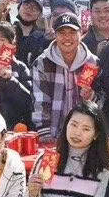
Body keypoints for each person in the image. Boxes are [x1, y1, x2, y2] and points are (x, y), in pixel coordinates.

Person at [32, 11, 101, 141]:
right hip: (52, 133)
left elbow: (101, 101)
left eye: (72, 32)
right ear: (55, 35)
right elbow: (40, 100)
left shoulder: (93, 62)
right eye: (62, 33)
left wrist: (91, 96)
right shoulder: (42, 62)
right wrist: (45, 133)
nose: (67, 38)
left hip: (83, 135)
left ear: (81, 34)